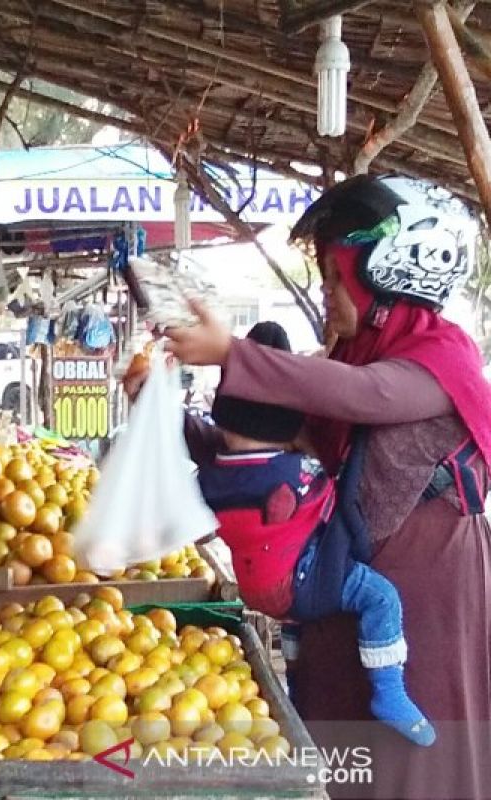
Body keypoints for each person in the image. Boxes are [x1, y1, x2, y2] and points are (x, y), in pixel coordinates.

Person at [165, 175, 490, 799]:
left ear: (385, 278)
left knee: (416, 754)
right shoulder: (350, 358)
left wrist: (232, 353)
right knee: (344, 742)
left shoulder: (440, 357)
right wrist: (168, 415)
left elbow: (369, 398)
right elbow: (263, 448)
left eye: (337, 275)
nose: (326, 290)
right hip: (346, 576)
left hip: (427, 589)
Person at [198, 321, 433, 746]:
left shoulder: (213, 476)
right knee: (380, 598)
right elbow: (333, 484)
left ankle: (295, 682)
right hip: (302, 583)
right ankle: (390, 692)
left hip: (257, 588)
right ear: (288, 424)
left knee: (297, 617)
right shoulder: (293, 474)